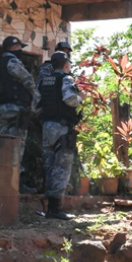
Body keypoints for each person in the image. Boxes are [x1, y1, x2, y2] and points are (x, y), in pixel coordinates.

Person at [38, 52, 84, 220]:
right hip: (62, 128)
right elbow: (70, 99)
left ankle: (49, 208)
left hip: (47, 127)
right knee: (62, 166)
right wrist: (81, 98)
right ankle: (55, 209)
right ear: (65, 65)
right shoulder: (66, 79)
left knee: (49, 165)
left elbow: (37, 104)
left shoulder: (45, 81)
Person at [0, 36, 41, 191]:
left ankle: (0, 181)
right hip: (15, 109)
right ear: (14, 48)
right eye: (19, 47)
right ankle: (15, 183)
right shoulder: (12, 62)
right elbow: (27, 80)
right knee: (16, 145)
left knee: (1, 144)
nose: (21, 50)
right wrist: (36, 100)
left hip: (3, 108)